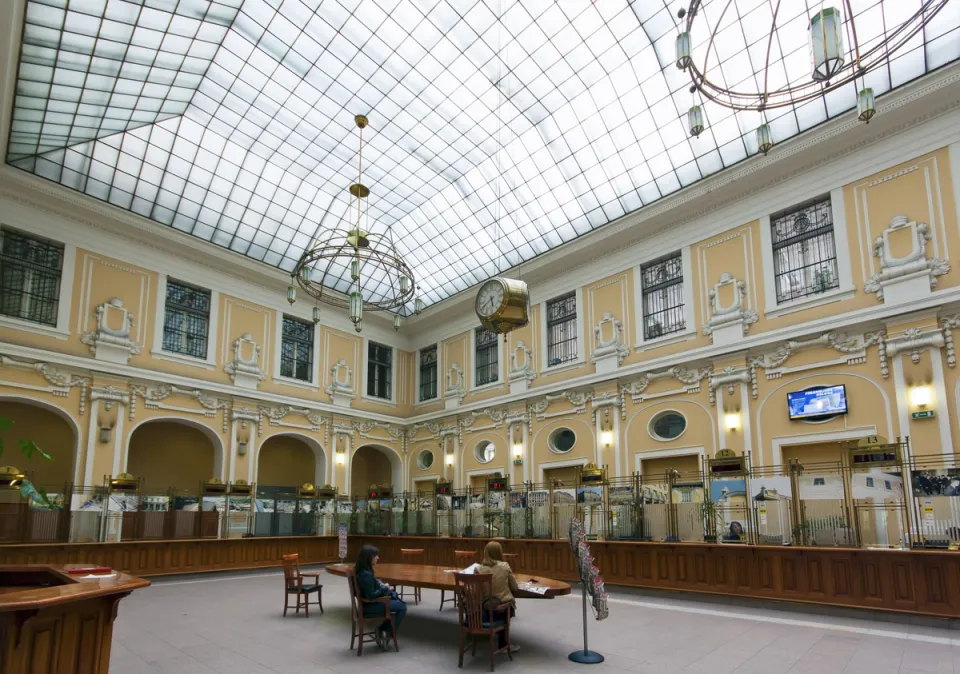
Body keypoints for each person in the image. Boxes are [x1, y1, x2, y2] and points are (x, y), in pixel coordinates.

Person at [355, 544, 406, 650]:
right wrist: (385, 588)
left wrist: (379, 583)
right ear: (369, 557)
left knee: (397, 603)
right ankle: (387, 634)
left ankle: (383, 630)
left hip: (366, 605)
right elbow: (371, 596)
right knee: (402, 607)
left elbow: (370, 586)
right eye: (375, 556)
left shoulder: (361, 570)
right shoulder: (366, 575)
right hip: (370, 606)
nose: (378, 558)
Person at [477, 541, 521, 654]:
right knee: (505, 604)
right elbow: (515, 587)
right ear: (499, 553)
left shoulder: (478, 569)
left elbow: (476, 592)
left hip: (484, 609)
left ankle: (477, 633)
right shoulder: (504, 566)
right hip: (502, 609)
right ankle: (503, 644)